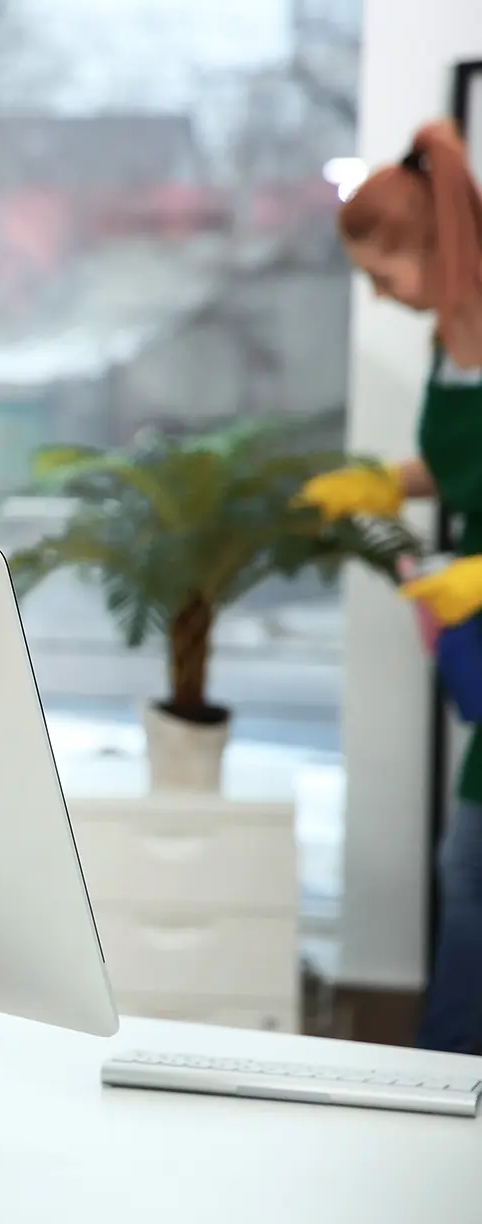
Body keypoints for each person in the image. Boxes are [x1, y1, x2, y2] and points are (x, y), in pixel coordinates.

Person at [300, 118, 482, 1054]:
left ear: (436, 246)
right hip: (475, 646)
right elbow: (467, 466)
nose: (378, 295)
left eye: (383, 273)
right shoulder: (455, 343)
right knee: (471, 872)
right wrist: (383, 482)